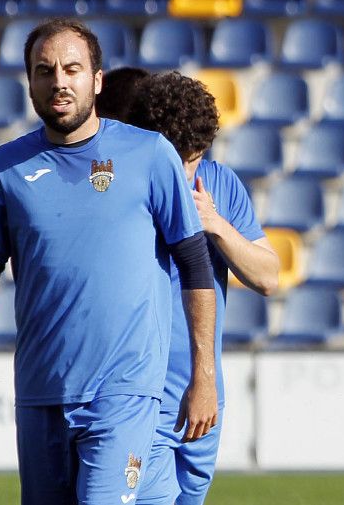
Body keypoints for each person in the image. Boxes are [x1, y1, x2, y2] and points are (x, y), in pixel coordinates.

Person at [0, 18, 219, 504]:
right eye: (44, 70)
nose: (59, 81)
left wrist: (204, 377)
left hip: (124, 392)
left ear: (97, 79)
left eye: (72, 68)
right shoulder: (7, 167)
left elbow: (195, 266)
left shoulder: (149, 154)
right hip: (39, 390)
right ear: (30, 82)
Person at [125, 72, 278, 505]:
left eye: (193, 159)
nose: (185, 173)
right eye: (176, 161)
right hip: (142, 398)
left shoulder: (221, 185)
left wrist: (215, 225)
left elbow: (267, 276)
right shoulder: (126, 192)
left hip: (205, 395)